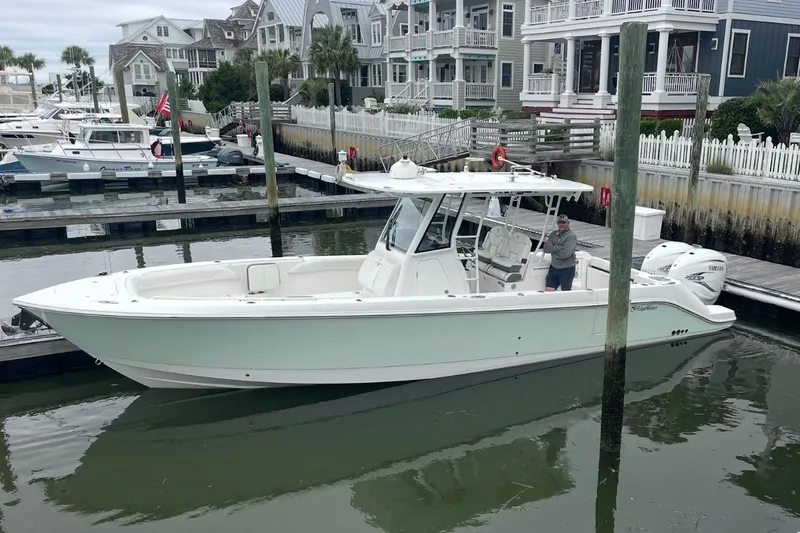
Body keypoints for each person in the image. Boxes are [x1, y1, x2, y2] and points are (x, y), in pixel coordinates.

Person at [543, 214, 577, 291]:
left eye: (564, 222)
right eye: (559, 222)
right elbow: (546, 248)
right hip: (553, 268)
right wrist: (559, 247)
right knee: (548, 291)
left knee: (565, 293)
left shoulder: (571, 237)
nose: (561, 224)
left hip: (566, 270)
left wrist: (553, 248)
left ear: (568, 223)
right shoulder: (553, 234)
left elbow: (565, 254)